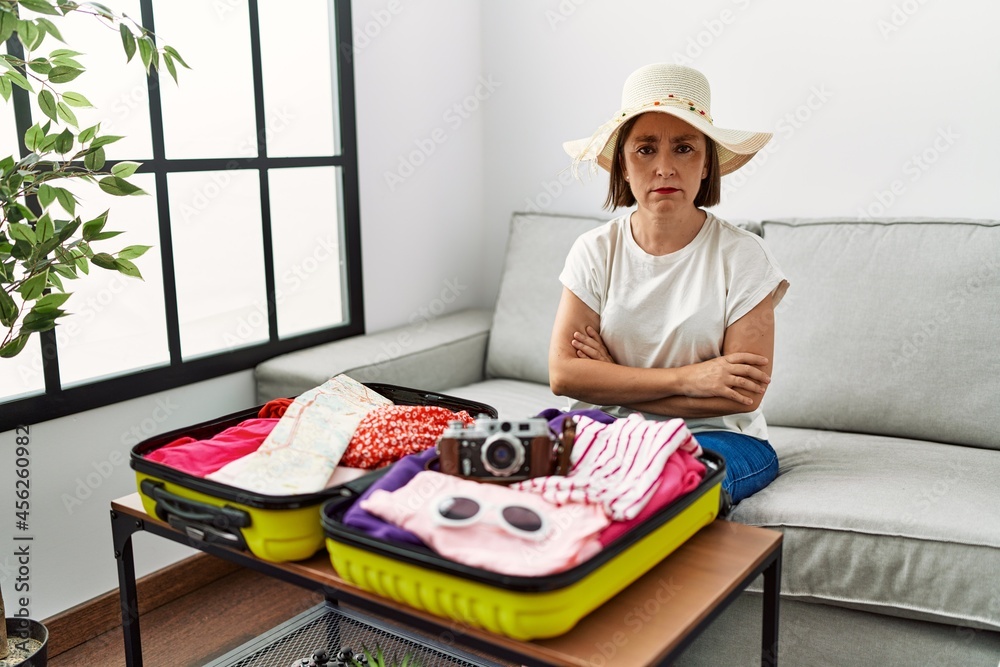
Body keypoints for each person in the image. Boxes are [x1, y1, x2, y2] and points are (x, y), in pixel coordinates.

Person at [551, 63, 789, 505]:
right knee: (525, 466)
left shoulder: (744, 256)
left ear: (706, 165)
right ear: (622, 165)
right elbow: (565, 375)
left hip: (719, 439)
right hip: (606, 426)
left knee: (662, 490)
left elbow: (740, 395)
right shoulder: (594, 250)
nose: (664, 167)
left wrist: (612, 379)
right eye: (645, 149)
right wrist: (693, 378)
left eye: (683, 148)